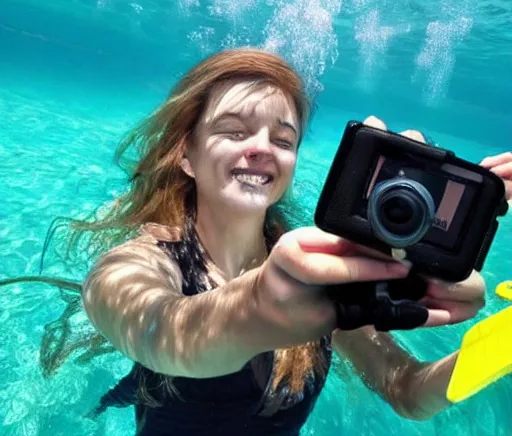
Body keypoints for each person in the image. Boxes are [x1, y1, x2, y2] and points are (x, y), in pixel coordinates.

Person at [77, 47, 507, 435]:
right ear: (186, 155)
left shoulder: (321, 274)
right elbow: (161, 332)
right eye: (233, 131)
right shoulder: (138, 264)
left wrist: (498, 345)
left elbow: (405, 389)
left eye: (283, 139)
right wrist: (255, 307)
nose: (262, 148)